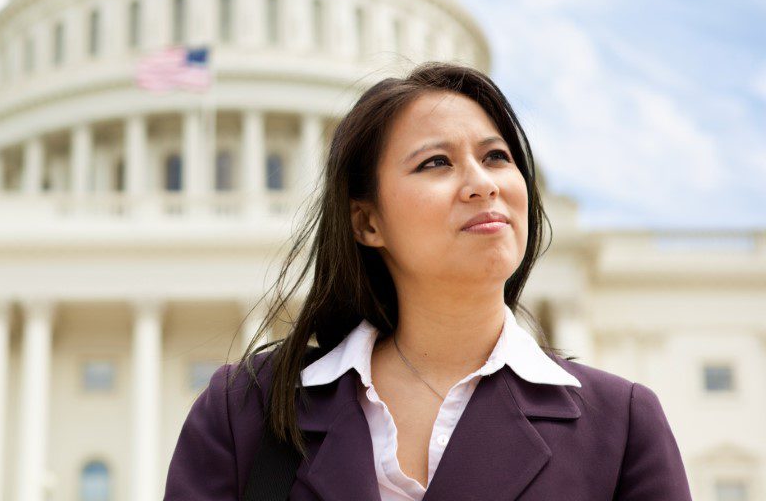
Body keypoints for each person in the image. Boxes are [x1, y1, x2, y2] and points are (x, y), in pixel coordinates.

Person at [164, 62, 691, 500]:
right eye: (437, 162)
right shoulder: (246, 412)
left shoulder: (619, 426)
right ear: (368, 222)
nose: (482, 184)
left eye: (496, 157)